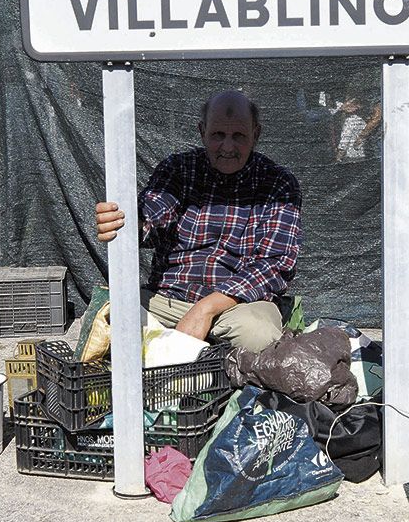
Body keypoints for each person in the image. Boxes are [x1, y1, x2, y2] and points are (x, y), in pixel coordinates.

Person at [94, 90, 301, 353]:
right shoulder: (178, 168)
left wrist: (205, 309)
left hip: (239, 305)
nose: (227, 147)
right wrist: (125, 219)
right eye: (218, 135)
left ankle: (187, 361)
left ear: (256, 134)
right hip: (168, 298)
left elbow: (276, 265)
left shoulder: (279, 182)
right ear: (202, 131)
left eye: (238, 136)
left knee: (259, 336)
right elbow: (154, 210)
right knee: (106, 320)